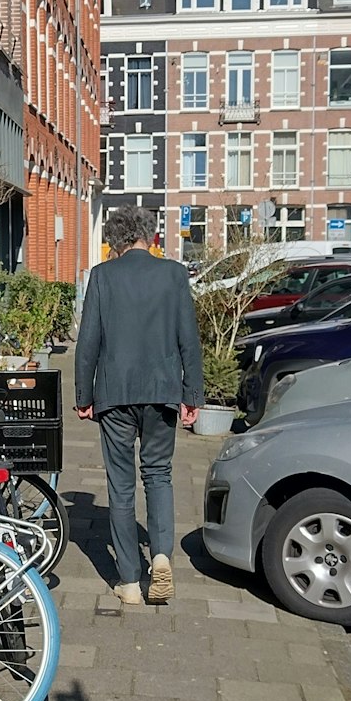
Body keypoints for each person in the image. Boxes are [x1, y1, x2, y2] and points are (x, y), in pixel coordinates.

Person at [73, 207, 203, 605]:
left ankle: (129, 581)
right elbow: (188, 339)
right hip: (162, 390)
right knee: (159, 475)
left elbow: (88, 341)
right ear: (150, 235)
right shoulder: (175, 275)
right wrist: (191, 394)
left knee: (121, 484)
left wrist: (84, 396)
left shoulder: (102, 276)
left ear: (115, 239)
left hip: (114, 394)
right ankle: (161, 555)